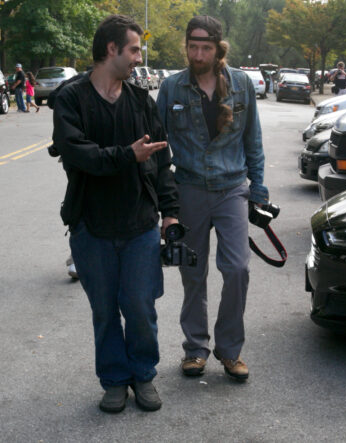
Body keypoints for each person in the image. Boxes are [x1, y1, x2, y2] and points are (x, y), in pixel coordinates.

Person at [51, 14, 179, 413]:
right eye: (135, 49)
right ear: (112, 50)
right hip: (92, 227)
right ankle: (113, 380)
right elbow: (78, 154)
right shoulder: (71, 100)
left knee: (140, 308)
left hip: (140, 223)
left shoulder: (141, 102)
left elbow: (161, 163)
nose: (139, 57)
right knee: (104, 312)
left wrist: (170, 214)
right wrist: (127, 155)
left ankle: (143, 375)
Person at [157, 15, 268, 381]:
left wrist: (259, 188)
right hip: (188, 188)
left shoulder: (241, 84)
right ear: (187, 45)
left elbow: (252, 139)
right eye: (193, 46)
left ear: (218, 48)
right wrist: (165, 204)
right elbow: (159, 149)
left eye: (205, 47)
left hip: (232, 187)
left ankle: (230, 349)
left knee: (237, 269)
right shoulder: (172, 88)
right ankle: (195, 348)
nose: (198, 53)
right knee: (193, 273)